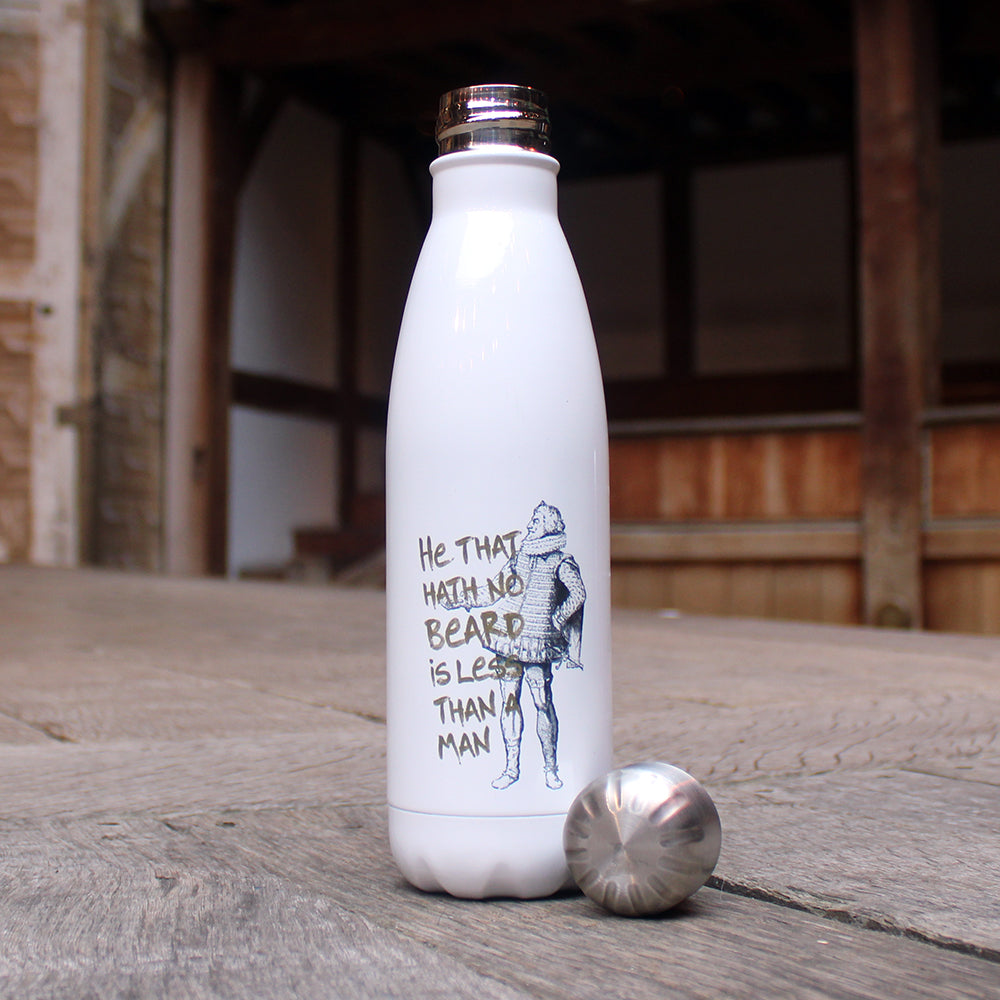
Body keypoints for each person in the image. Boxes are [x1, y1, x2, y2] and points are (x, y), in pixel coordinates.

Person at [453, 501, 586, 791]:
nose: (530, 526)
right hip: (508, 636)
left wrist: (558, 618)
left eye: (536, 522)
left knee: (541, 700)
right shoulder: (520, 557)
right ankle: (511, 767)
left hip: (538, 640)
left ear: (548, 527)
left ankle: (550, 768)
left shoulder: (561, 561)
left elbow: (578, 594)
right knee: (509, 701)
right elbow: (496, 587)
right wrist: (465, 599)